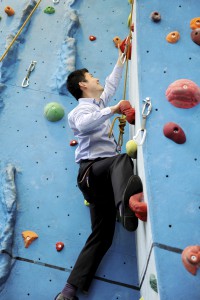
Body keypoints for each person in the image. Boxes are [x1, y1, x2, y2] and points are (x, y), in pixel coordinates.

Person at [54, 48, 143, 300]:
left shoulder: (99, 103)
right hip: (91, 172)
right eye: (92, 76)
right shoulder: (78, 112)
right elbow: (85, 125)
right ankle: (125, 206)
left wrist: (120, 60)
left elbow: (112, 85)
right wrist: (113, 109)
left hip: (101, 180)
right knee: (121, 160)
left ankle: (68, 291)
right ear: (83, 84)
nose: (96, 79)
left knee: (102, 236)